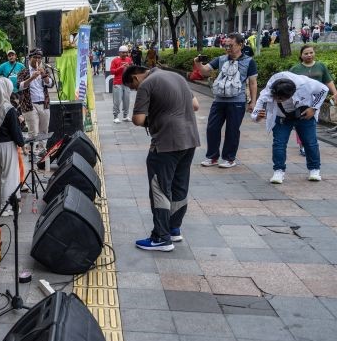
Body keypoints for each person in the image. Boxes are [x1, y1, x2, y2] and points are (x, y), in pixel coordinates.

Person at [123, 65, 200, 252]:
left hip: (165, 143)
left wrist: (154, 117)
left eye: (132, 87)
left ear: (135, 78)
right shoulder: (176, 75)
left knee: (160, 188)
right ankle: (174, 228)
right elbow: (195, 105)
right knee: (179, 185)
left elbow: (138, 119)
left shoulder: (146, 84)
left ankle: (161, 237)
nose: (134, 90)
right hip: (189, 140)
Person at [251, 72, 328, 183]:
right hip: (282, 117)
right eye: (277, 98)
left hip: (304, 114)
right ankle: (278, 171)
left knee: (310, 142)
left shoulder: (305, 84)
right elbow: (255, 113)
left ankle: (314, 169)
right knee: (279, 143)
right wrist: (258, 117)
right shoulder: (268, 92)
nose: (279, 100)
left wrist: (314, 108)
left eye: (282, 98)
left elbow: (324, 89)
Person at [195, 33, 258, 168]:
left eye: (231, 45)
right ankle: (212, 157)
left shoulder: (249, 61)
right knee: (212, 128)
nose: (227, 48)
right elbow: (205, 71)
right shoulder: (221, 59)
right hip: (219, 100)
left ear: (240, 45)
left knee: (232, 130)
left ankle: (229, 158)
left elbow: (253, 83)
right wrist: (198, 63)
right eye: (226, 45)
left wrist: (253, 102)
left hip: (237, 101)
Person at [0, 78, 25, 217]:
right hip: (7, 145)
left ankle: (0, 203)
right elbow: (15, 132)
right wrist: (22, 143)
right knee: (10, 176)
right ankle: (7, 207)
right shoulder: (9, 109)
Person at [289, 45, 337, 154]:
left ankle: (310, 142)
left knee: (313, 120)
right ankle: (303, 145)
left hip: (317, 99)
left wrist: (335, 93)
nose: (309, 55)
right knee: (302, 120)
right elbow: (289, 84)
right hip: (301, 99)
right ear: (301, 55)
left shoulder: (321, 66)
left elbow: (328, 81)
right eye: (306, 53)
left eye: (311, 52)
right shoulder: (295, 69)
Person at [18, 48, 54, 152]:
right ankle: (32, 153)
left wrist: (44, 75)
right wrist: (32, 78)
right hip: (30, 105)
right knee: (33, 131)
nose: (37, 60)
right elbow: (20, 86)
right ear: (30, 58)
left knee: (44, 130)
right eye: (35, 57)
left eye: (39, 58)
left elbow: (50, 84)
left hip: (44, 104)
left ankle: (42, 152)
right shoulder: (23, 71)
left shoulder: (44, 70)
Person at [110, 45, 134, 123]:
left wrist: (129, 67)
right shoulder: (115, 60)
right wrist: (121, 67)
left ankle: (125, 116)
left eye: (126, 52)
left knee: (127, 100)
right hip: (117, 83)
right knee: (117, 101)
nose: (125, 54)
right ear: (119, 53)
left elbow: (132, 70)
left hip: (127, 83)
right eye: (123, 52)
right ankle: (115, 116)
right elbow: (112, 71)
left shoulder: (129, 59)